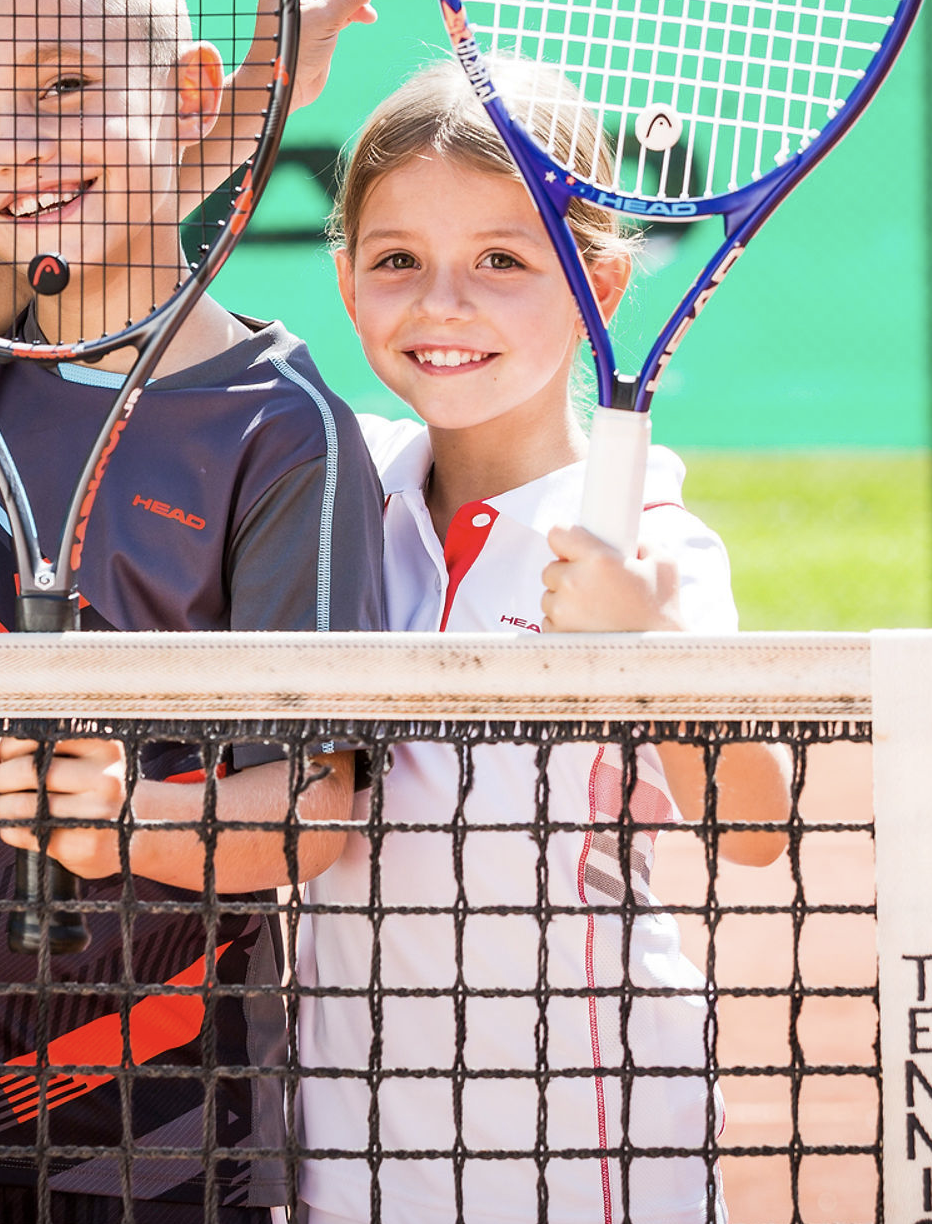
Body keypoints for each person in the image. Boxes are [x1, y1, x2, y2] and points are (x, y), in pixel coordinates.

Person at [0, 0, 386, 1224]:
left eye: (65, 79)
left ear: (188, 94)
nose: (18, 144)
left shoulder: (282, 430)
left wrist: (129, 820)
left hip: (158, 1119)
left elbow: (316, 808)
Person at [294, 59, 793, 1224]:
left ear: (599, 284)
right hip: (350, 1153)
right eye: (397, 260)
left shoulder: (657, 540)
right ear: (347, 278)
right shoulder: (332, 482)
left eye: (505, 262)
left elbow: (758, 824)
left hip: (591, 1155)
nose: (443, 305)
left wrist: (649, 646)